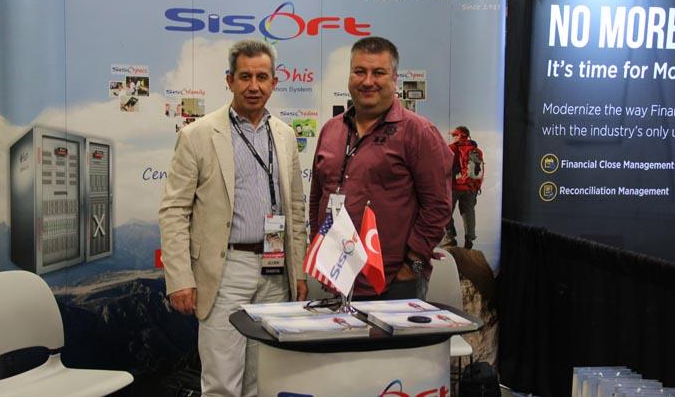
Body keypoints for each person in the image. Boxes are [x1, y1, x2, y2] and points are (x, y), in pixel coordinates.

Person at [159, 39, 308, 397]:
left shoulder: (285, 136)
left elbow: (295, 209)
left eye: (262, 77)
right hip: (226, 270)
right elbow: (174, 210)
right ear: (229, 80)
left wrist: (298, 270)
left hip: (276, 270)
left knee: (263, 378)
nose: (253, 86)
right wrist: (179, 278)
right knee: (222, 383)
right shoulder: (197, 135)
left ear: (274, 82)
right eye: (245, 76)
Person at [309, 36, 453, 300]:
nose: (367, 81)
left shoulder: (419, 132)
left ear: (394, 78)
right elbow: (318, 196)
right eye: (359, 71)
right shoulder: (331, 129)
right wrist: (317, 248)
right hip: (337, 276)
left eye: (378, 72)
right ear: (349, 75)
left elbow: (438, 207)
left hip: (395, 284)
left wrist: (412, 266)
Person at [443, 126, 484, 250]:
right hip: (471, 188)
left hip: (454, 187)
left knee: (445, 211)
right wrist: (477, 187)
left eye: (454, 135)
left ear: (460, 135)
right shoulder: (477, 150)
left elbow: (443, 167)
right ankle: (469, 239)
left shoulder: (451, 148)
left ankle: (450, 236)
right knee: (468, 213)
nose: (453, 137)